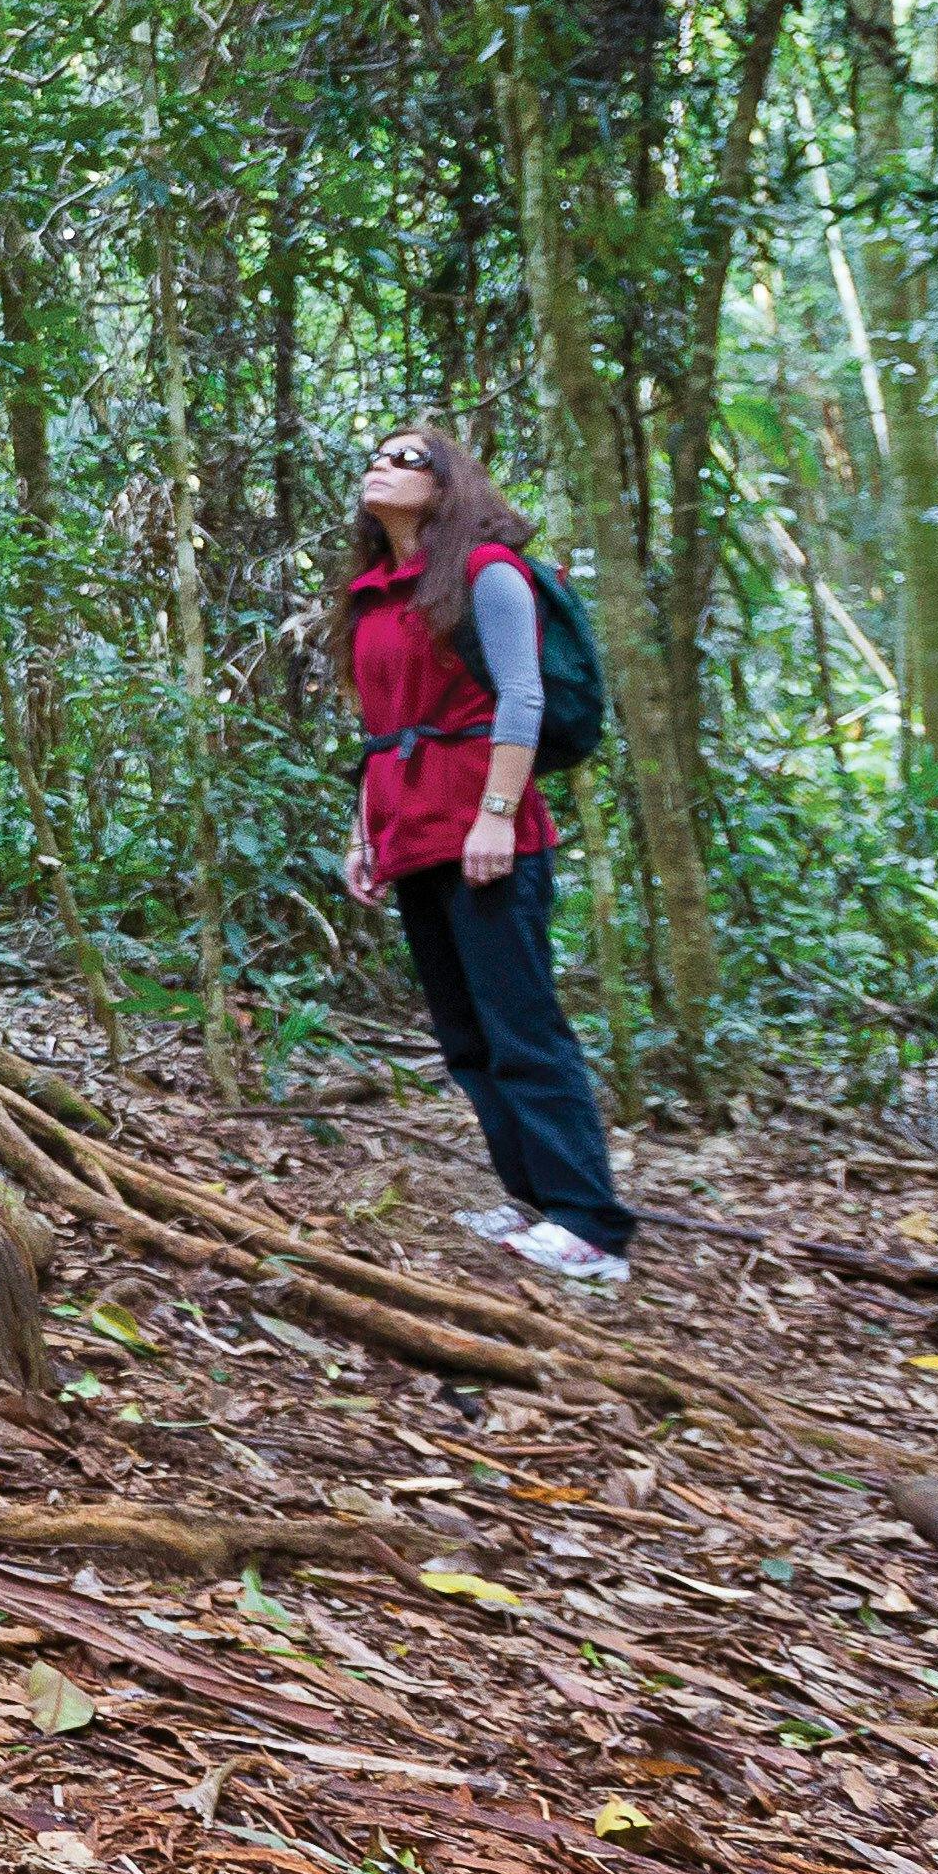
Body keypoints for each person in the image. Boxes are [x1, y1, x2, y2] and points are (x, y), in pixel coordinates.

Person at [339, 428, 631, 1288]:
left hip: (484, 831)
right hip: (412, 831)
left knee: (521, 1028)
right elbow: (379, 729)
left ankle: (591, 1223)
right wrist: (363, 834)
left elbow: (524, 696)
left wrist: (497, 816)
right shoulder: (372, 597)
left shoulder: (486, 573)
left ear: (447, 486)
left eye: (406, 458)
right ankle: (530, 1197)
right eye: (378, 455)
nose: (381, 465)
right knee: (465, 1036)